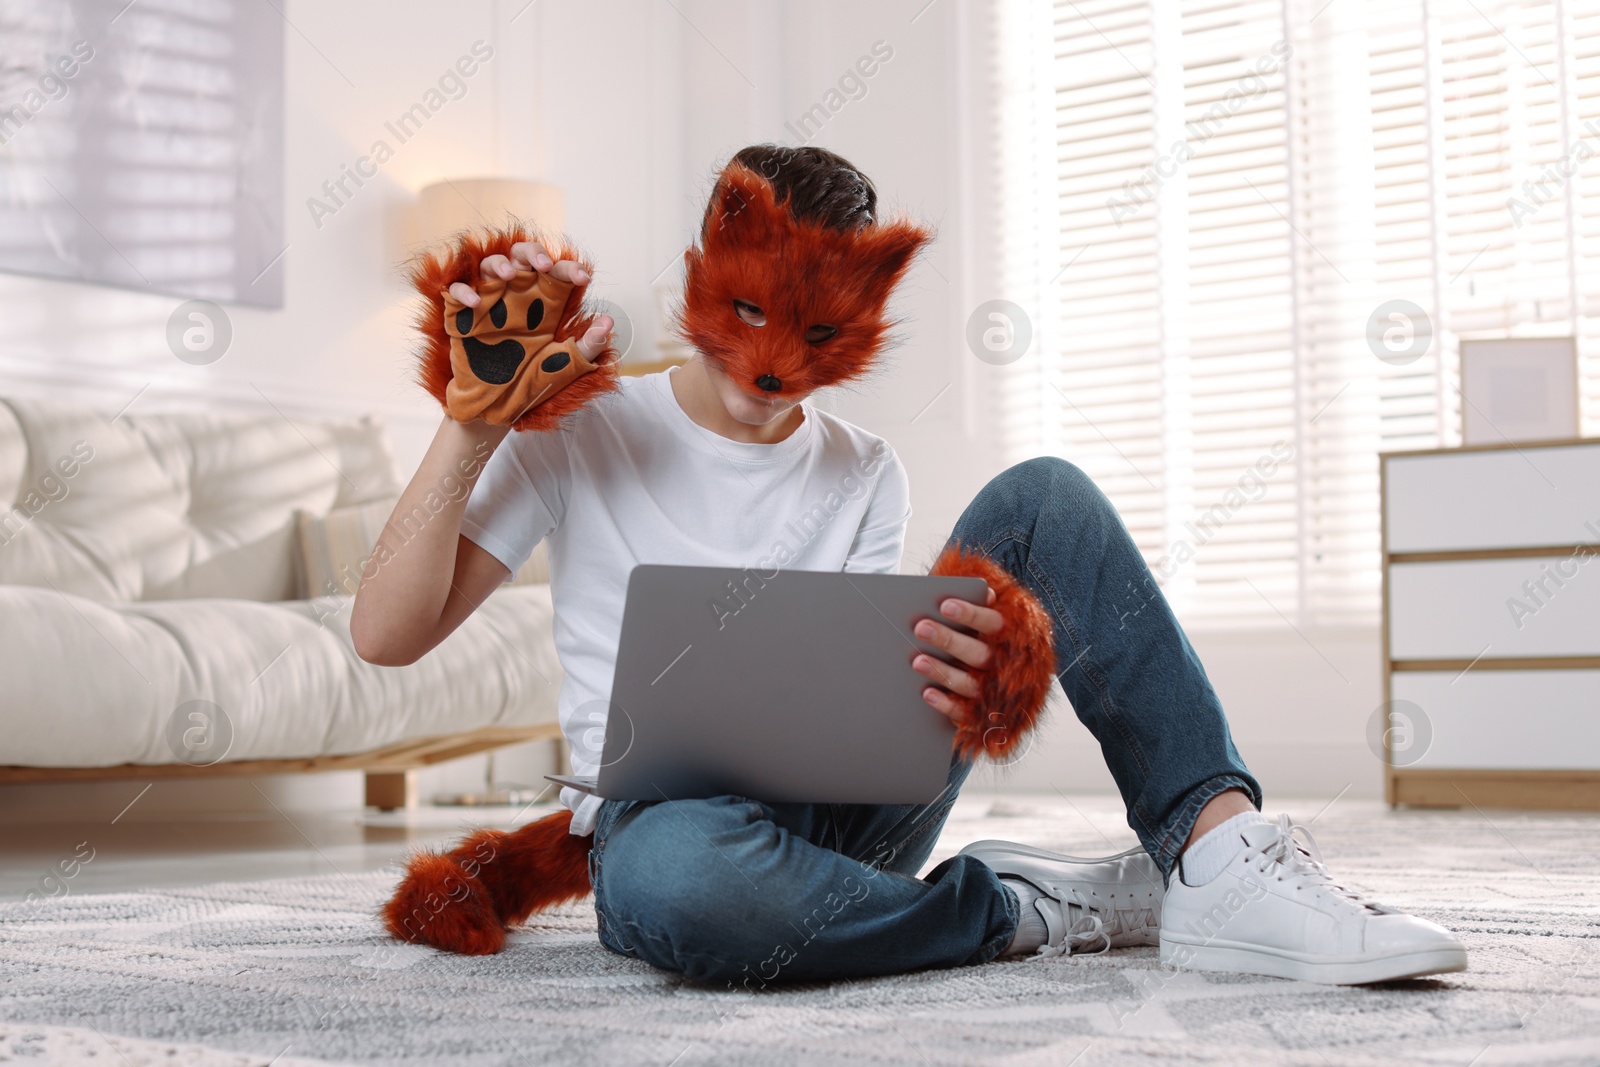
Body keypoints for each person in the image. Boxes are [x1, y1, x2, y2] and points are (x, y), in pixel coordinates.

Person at [354, 143, 1468, 987]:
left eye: (820, 334)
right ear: (701, 268)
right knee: (690, 880)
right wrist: (471, 426)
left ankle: (1221, 859)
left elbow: (845, 707)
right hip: (666, 827)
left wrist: (986, 668)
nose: (776, 364)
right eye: (746, 310)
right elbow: (384, 633)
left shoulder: (863, 469)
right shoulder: (585, 428)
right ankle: (1024, 907)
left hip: (843, 812)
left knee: (1046, 498)